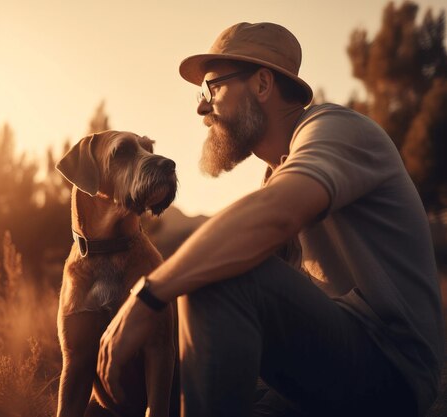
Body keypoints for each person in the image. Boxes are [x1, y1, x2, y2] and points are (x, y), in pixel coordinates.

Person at [96, 22, 444, 417]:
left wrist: (149, 294)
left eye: (212, 88)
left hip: (391, 370)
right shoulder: (276, 174)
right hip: (323, 368)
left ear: (262, 84)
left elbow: (276, 214)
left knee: (218, 273)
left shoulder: (334, 129)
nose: (201, 107)